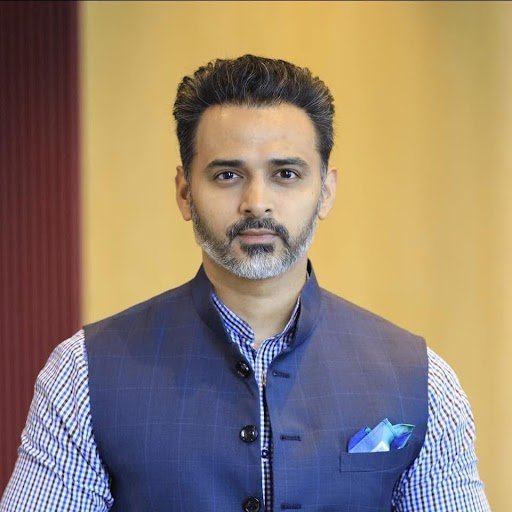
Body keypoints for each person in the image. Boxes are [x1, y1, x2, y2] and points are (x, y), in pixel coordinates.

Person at [1, 55, 489, 512]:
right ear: (185, 192)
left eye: (286, 174)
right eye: (228, 175)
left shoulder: (422, 381)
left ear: (325, 191)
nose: (257, 202)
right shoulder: (82, 375)